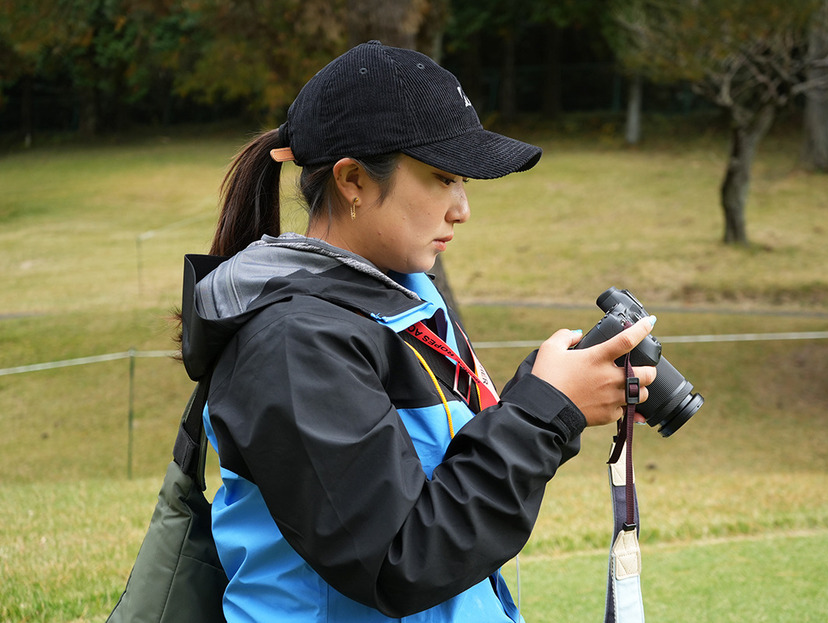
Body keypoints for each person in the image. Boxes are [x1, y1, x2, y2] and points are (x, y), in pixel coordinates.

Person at [181, 41, 657, 623]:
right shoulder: (293, 341)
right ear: (353, 180)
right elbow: (400, 560)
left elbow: (446, 476)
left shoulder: (398, 298)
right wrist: (542, 416)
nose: (462, 208)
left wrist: (551, 391)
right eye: (442, 177)